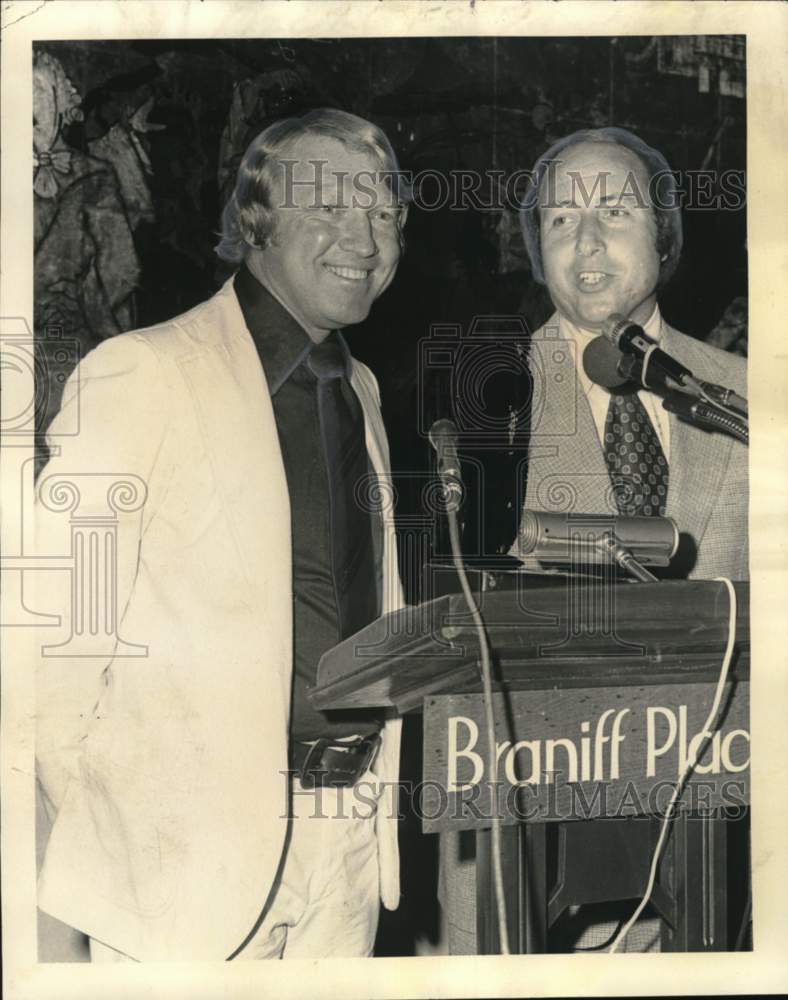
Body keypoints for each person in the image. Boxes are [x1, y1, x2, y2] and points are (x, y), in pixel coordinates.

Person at [34, 108, 410, 962]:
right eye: (329, 206)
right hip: (185, 869)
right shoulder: (144, 372)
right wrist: (128, 828)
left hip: (347, 847)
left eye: (383, 213)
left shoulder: (364, 392)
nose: (364, 236)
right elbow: (55, 639)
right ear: (257, 223)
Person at [439, 126, 748, 953]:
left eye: (613, 209)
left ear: (667, 233)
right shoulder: (481, 392)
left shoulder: (749, 396)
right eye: (559, 219)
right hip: (528, 855)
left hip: (718, 839)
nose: (586, 238)